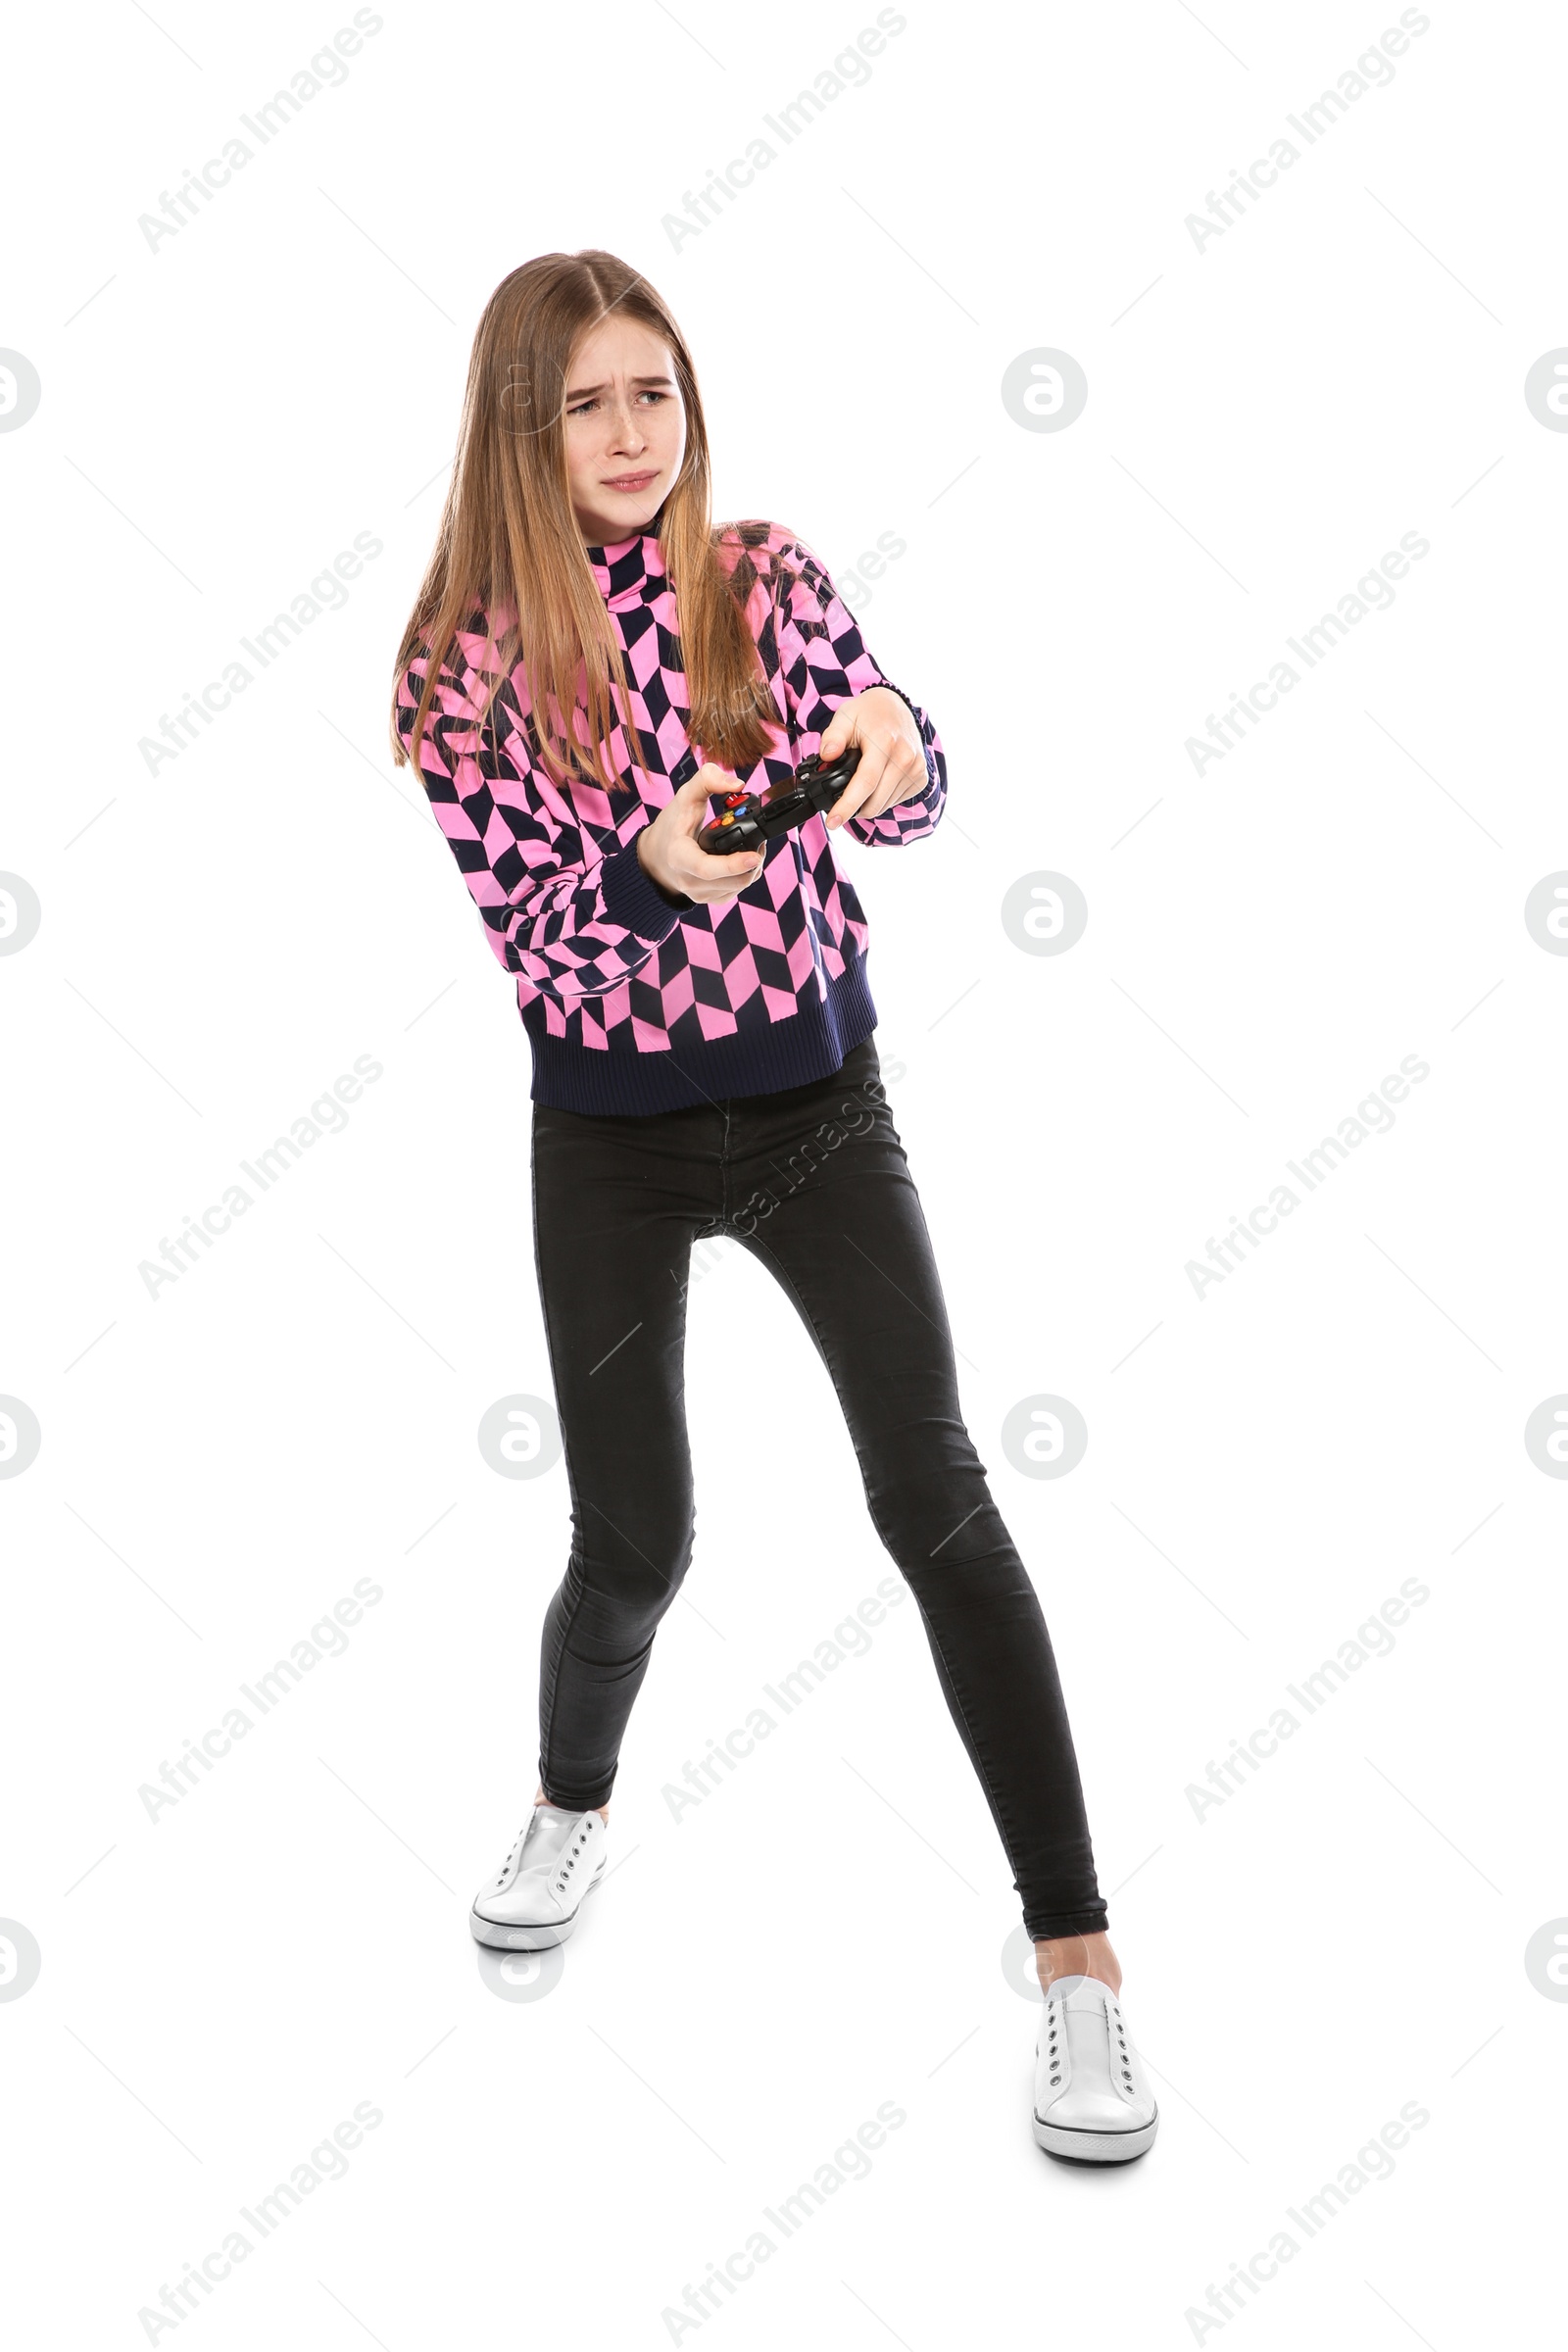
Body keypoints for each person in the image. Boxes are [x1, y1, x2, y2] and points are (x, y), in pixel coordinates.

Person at [390, 249, 1157, 2164]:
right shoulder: (458, 670)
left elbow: (898, 787)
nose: (631, 435)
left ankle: (1077, 1968)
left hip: (819, 1107)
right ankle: (571, 1800)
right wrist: (653, 869)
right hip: (615, 1139)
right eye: (582, 404)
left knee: (936, 1502)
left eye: (653, 393)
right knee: (635, 1543)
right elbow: (552, 965)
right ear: (517, 430)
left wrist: (893, 745)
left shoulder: (766, 580)